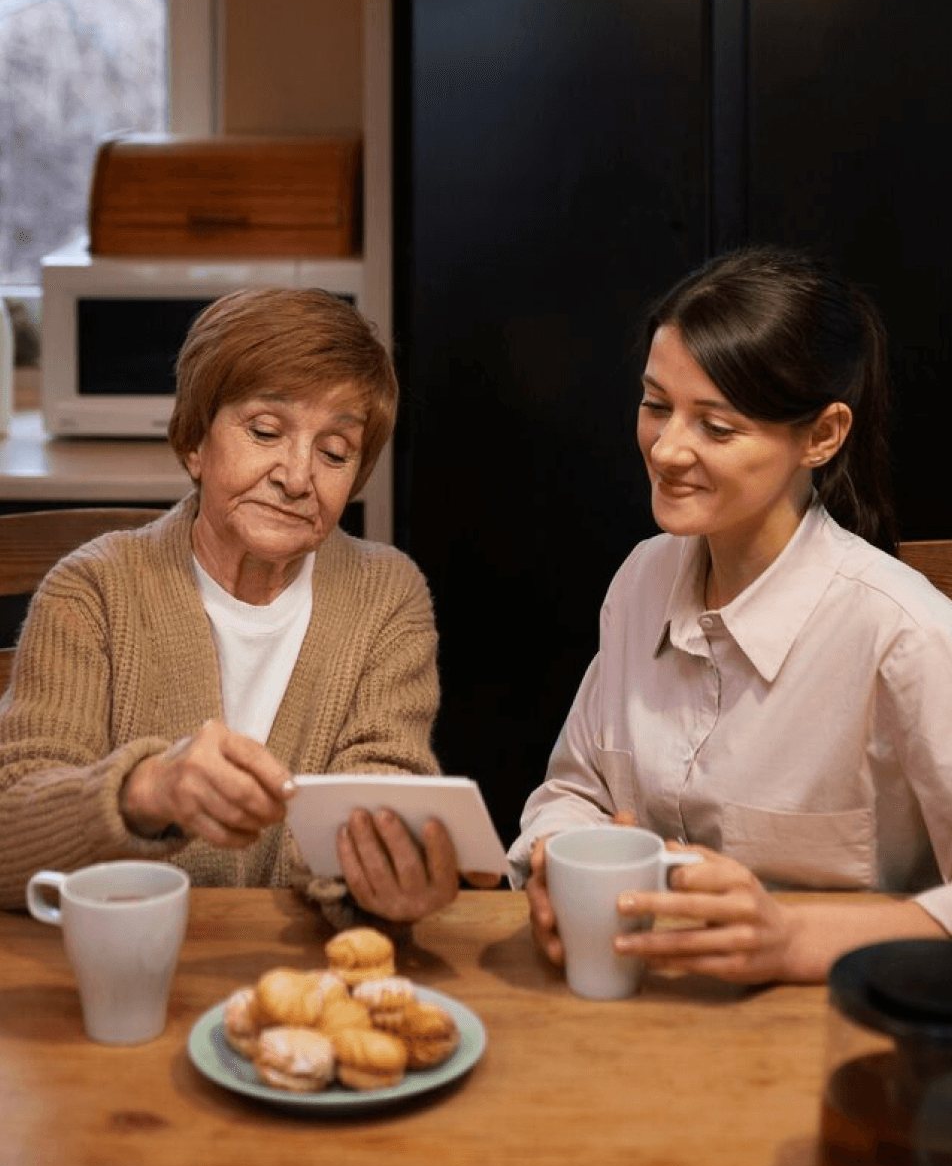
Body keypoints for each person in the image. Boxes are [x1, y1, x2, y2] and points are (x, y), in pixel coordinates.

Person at [510, 246, 952, 984]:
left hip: (837, 1040)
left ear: (822, 436)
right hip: (641, 1012)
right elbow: (574, 790)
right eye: (656, 406)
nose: (668, 449)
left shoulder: (905, 634)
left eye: (716, 427)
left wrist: (792, 938)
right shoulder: (642, 580)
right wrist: (559, 858)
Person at [0, 287, 459, 922]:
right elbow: (9, 835)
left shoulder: (387, 597)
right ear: (195, 441)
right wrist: (145, 791)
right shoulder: (92, 592)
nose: (298, 477)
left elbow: (382, 789)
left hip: (302, 973)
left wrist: (384, 873)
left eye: (335, 452)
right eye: (265, 431)